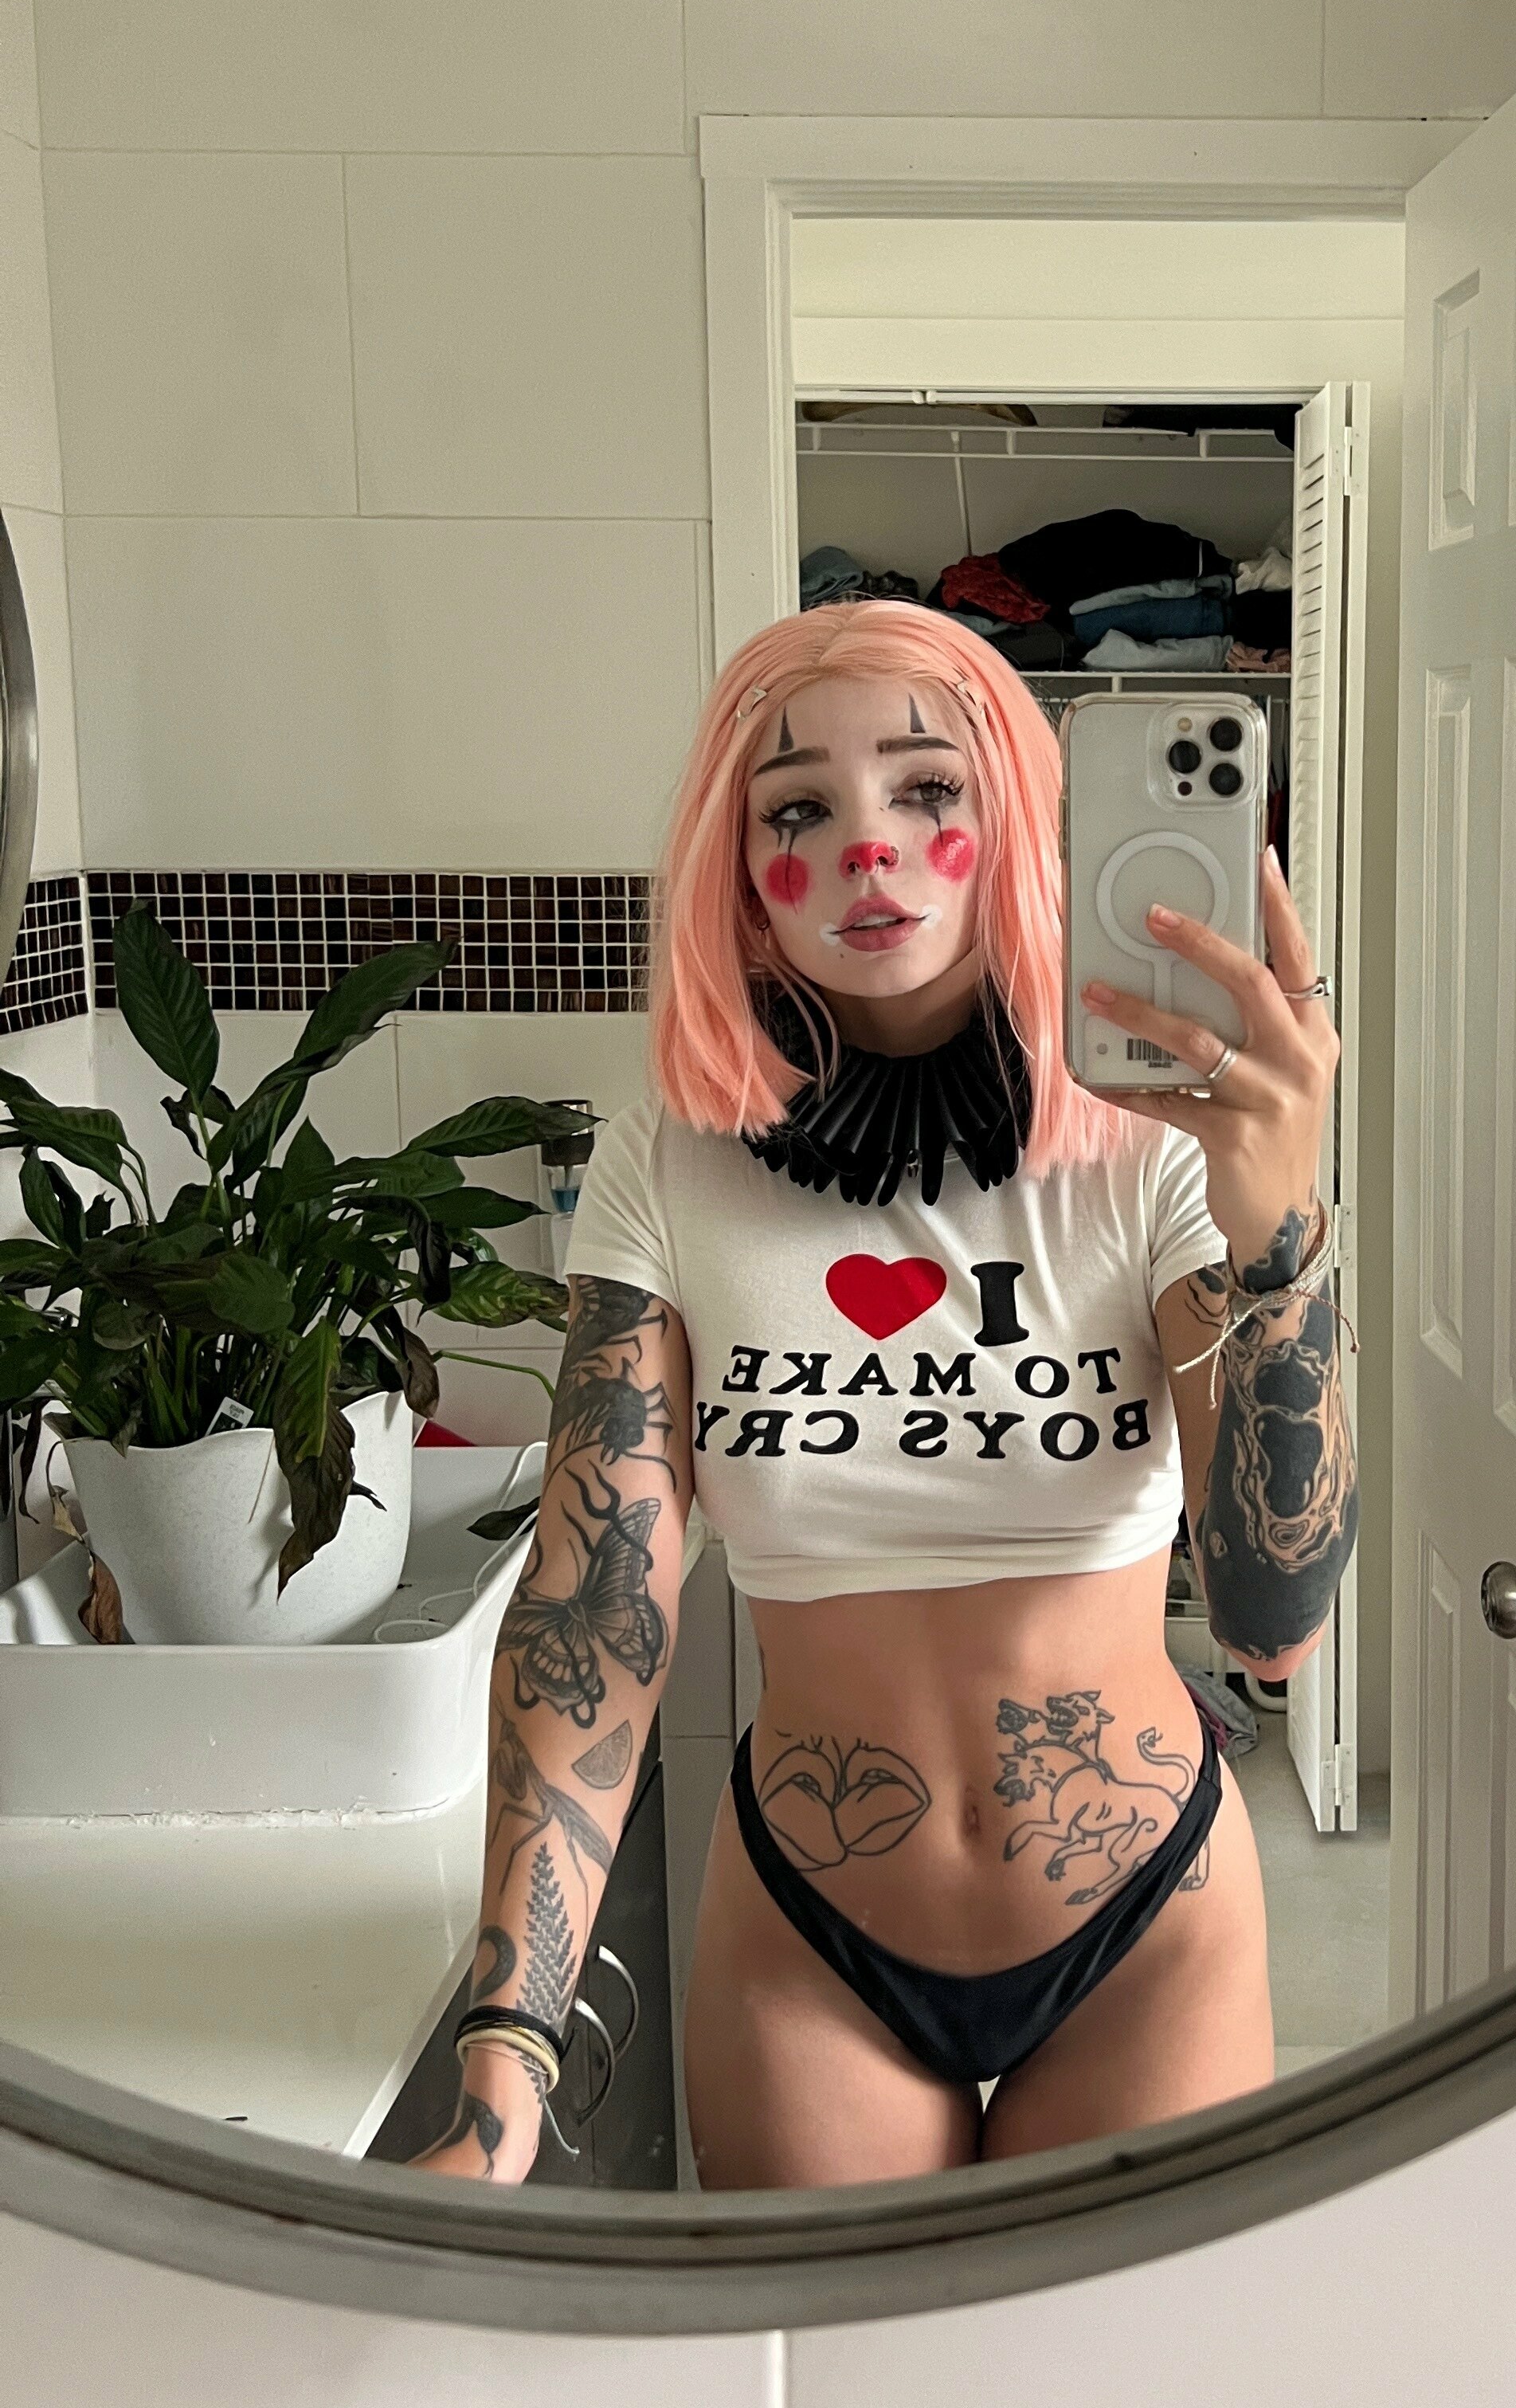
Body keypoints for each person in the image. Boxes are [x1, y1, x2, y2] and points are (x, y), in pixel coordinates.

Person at [415, 600, 1355, 2187]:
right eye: (800, 809)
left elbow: (1273, 1619)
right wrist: (503, 2066)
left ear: (1018, 821)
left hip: (1147, 1932)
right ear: (737, 864)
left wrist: (1281, 1241)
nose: (869, 848)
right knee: (842, 2364)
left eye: (929, 790)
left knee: (1114, 2359)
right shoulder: (672, 1162)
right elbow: (594, 1618)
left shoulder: (1158, 1145)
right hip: (812, 1947)